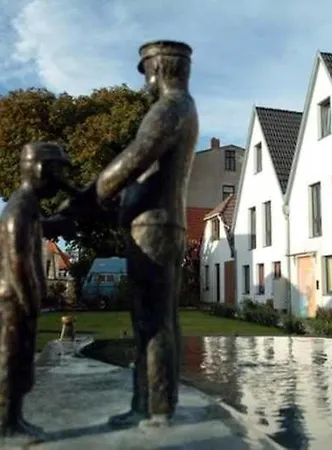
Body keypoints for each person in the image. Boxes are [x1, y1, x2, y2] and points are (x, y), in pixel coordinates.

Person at [58, 40, 198, 427]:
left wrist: (85, 200)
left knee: (152, 319)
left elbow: (134, 158)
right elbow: (144, 172)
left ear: (160, 68)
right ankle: (153, 403)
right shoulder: (180, 107)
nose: (145, 79)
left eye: (146, 70)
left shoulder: (170, 107)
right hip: (156, 222)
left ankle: (154, 408)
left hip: (154, 225)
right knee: (156, 317)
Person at [0, 142, 75, 438]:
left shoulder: (27, 205)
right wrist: (31, 302)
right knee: (11, 358)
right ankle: (6, 424)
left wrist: (58, 221)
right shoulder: (20, 207)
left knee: (21, 359)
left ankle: (14, 418)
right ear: (43, 169)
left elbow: (36, 228)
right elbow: (18, 261)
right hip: (14, 300)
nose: (61, 180)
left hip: (18, 299)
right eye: (58, 171)